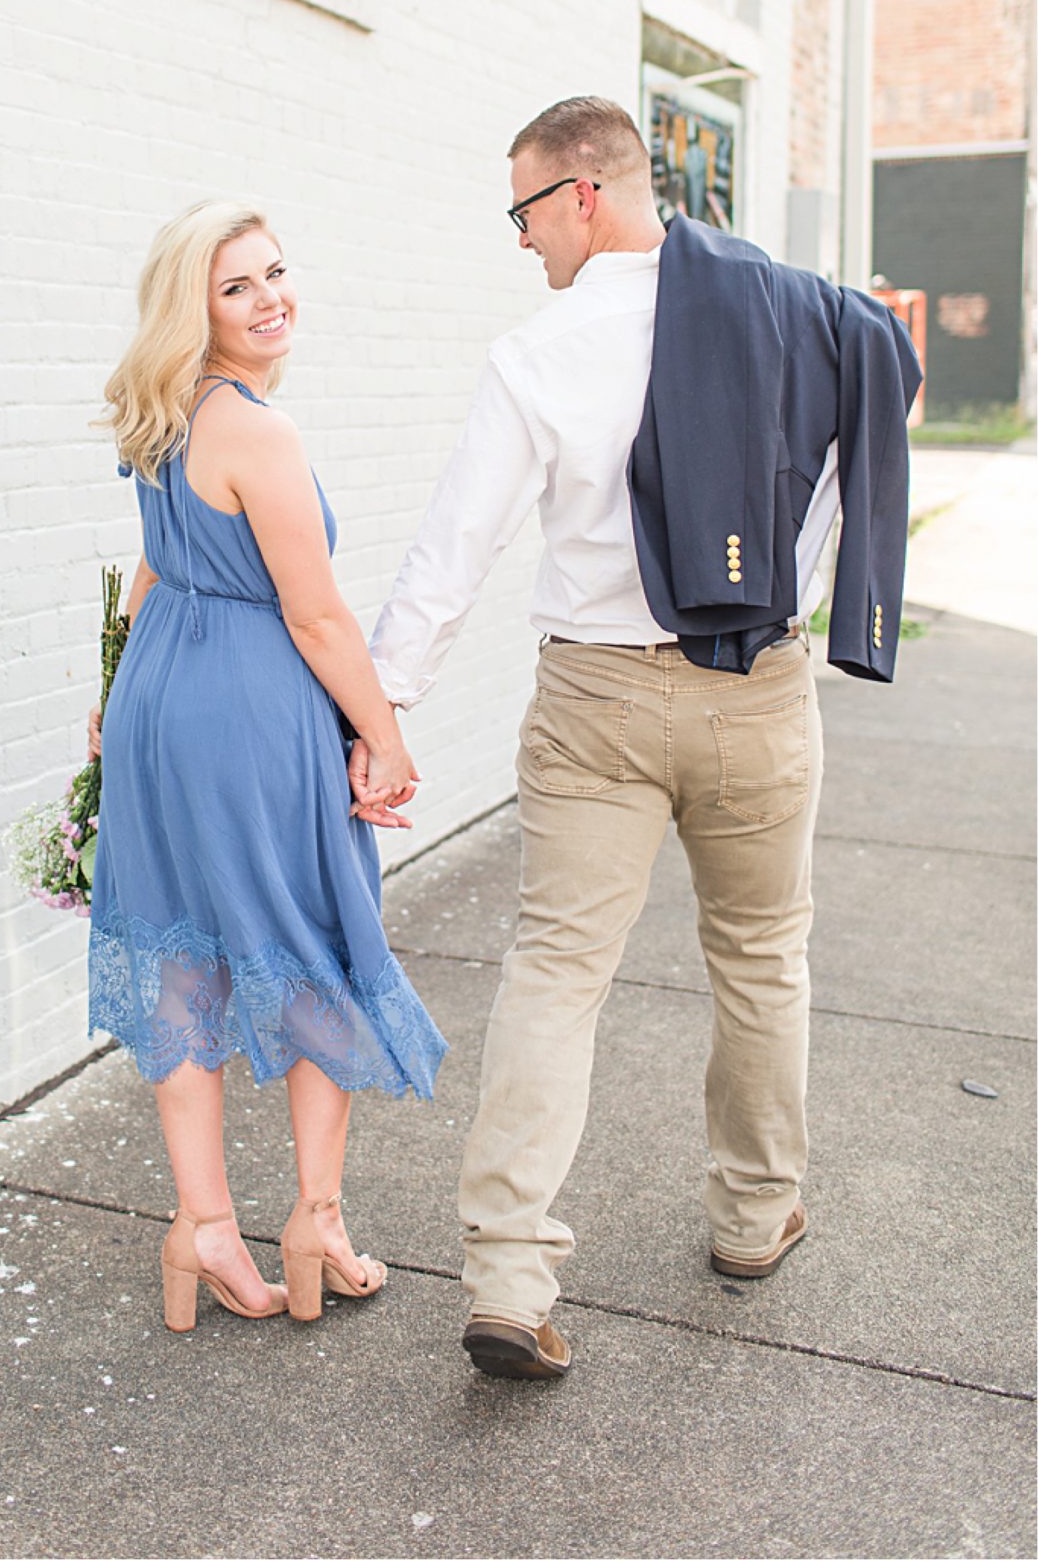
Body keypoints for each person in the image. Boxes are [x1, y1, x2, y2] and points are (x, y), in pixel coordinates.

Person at [358, 96, 920, 1382]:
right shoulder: (802, 318)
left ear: (582, 191)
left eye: (521, 212)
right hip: (755, 692)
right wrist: (790, 593)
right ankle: (749, 1214)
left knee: (557, 969)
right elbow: (843, 472)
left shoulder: (537, 354)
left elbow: (453, 555)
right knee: (763, 955)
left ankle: (506, 1267)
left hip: (594, 703)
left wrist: (382, 715)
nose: (519, 243)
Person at [87, 200, 445, 1335]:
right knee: (316, 937)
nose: (269, 297)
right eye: (236, 284)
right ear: (194, 305)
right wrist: (383, 734)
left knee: (183, 947)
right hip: (247, 706)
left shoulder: (161, 412)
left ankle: (201, 1224)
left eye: (276, 272)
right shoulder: (255, 430)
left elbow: (152, 569)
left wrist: (108, 705)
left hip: (159, 696)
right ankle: (314, 1218)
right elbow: (318, 615)